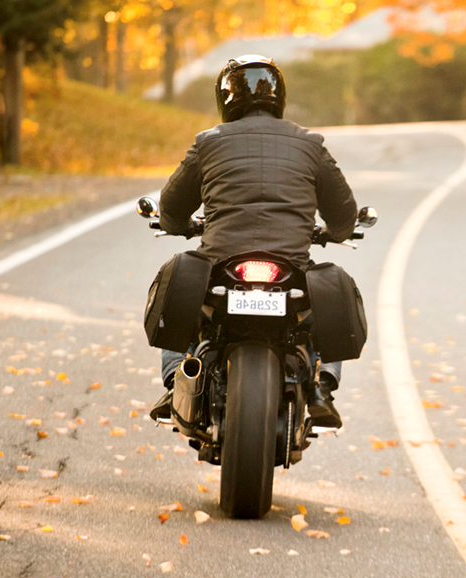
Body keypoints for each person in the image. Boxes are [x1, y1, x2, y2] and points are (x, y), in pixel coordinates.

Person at [149, 54, 356, 428]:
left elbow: (172, 205)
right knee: (322, 299)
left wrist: (176, 224)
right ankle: (323, 386)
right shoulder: (310, 144)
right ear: (279, 97)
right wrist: (336, 233)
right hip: (289, 265)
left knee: (180, 289)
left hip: (221, 260)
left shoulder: (208, 142)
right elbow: (343, 212)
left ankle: (176, 379)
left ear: (225, 98)